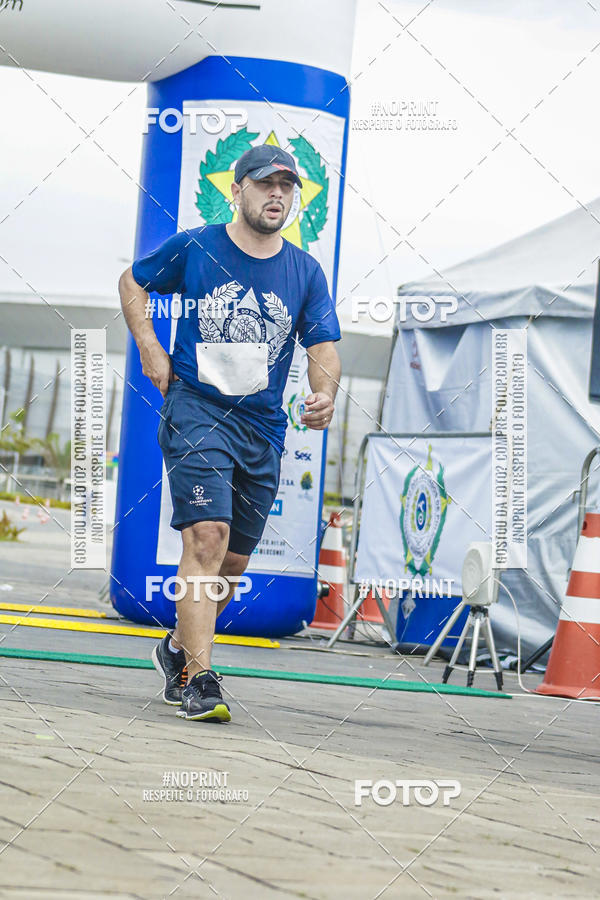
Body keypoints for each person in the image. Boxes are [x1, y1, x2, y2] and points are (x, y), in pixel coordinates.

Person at [118, 144, 342, 723]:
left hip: (262, 427)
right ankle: (201, 680)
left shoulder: (305, 272)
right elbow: (132, 282)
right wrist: (150, 347)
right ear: (235, 190)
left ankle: (175, 651)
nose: (277, 195)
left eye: (287, 187)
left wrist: (325, 392)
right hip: (196, 410)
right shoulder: (197, 247)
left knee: (231, 566)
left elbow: (323, 347)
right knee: (207, 538)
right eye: (265, 184)